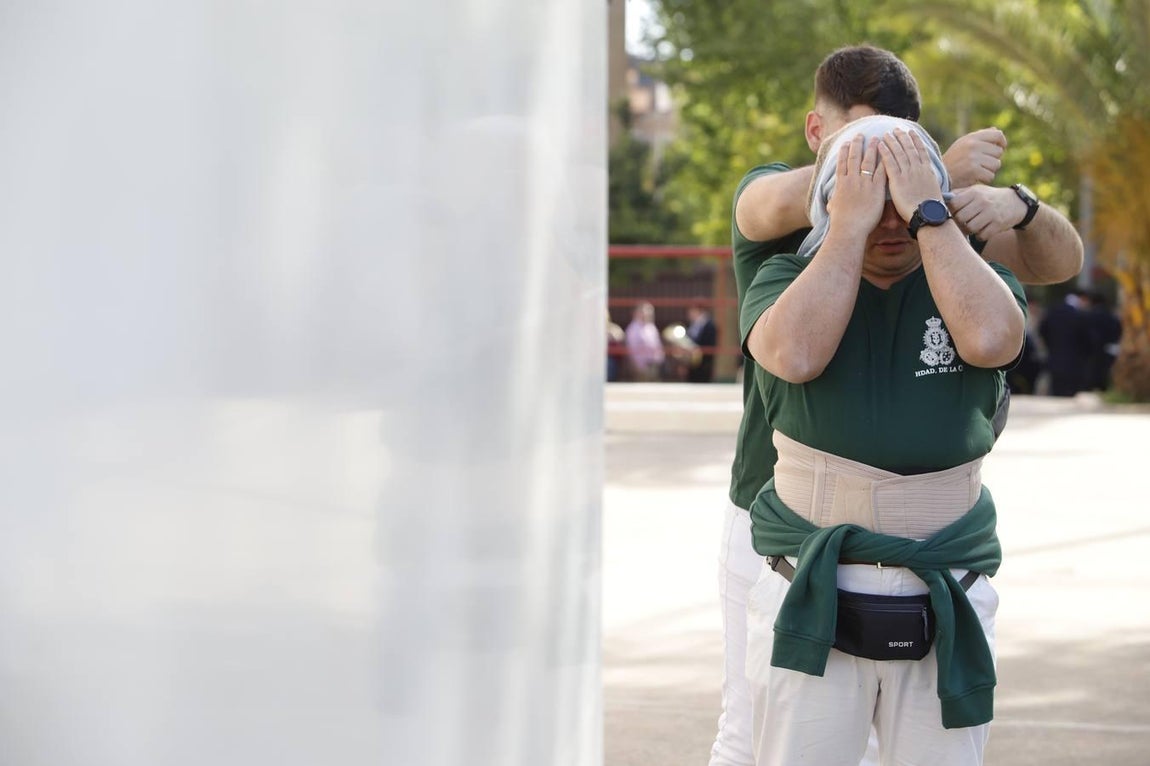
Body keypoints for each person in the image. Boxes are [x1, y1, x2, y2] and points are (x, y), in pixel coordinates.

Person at [710, 44, 1085, 766]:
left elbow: (1010, 315)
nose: (889, 216)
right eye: (856, 140)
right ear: (818, 135)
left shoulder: (949, 238)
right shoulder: (780, 233)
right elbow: (789, 343)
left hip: (941, 558)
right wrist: (858, 197)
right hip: (783, 529)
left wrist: (956, 203)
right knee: (746, 739)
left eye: (897, 144)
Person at [742, 115, 1026, 765]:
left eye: (904, 199)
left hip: (946, 581)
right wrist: (846, 225)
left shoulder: (969, 279)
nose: (891, 221)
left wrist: (930, 211)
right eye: (874, 199)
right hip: (807, 586)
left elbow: (991, 340)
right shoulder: (781, 279)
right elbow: (796, 353)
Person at [1038, 291, 1091, 396]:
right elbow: (1086, 338)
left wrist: (1050, 344)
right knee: (1070, 392)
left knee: (1056, 390)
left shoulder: (1053, 311)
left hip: (1055, 359)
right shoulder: (1079, 314)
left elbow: (1042, 330)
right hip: (1074, 362)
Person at [1083, 290, 1122, 391]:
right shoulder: (1111, 316)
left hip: (1090, 355)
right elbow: (1118, 332)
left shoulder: (1086, 316)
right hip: (1107, 354)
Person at [625, 301, 664, 381]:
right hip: (641, 366)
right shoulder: (633, 328)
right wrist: (637, 366)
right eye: (645, 311)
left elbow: (657, 344)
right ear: (637, 313)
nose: (648, 313)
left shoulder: (651, 327)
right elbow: (632, 348)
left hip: (654, 363)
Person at [686, 304, 718, 382]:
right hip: (692, 362)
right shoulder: (693, 325)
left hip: (704, 362)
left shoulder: (709, 325)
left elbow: (710, 344)